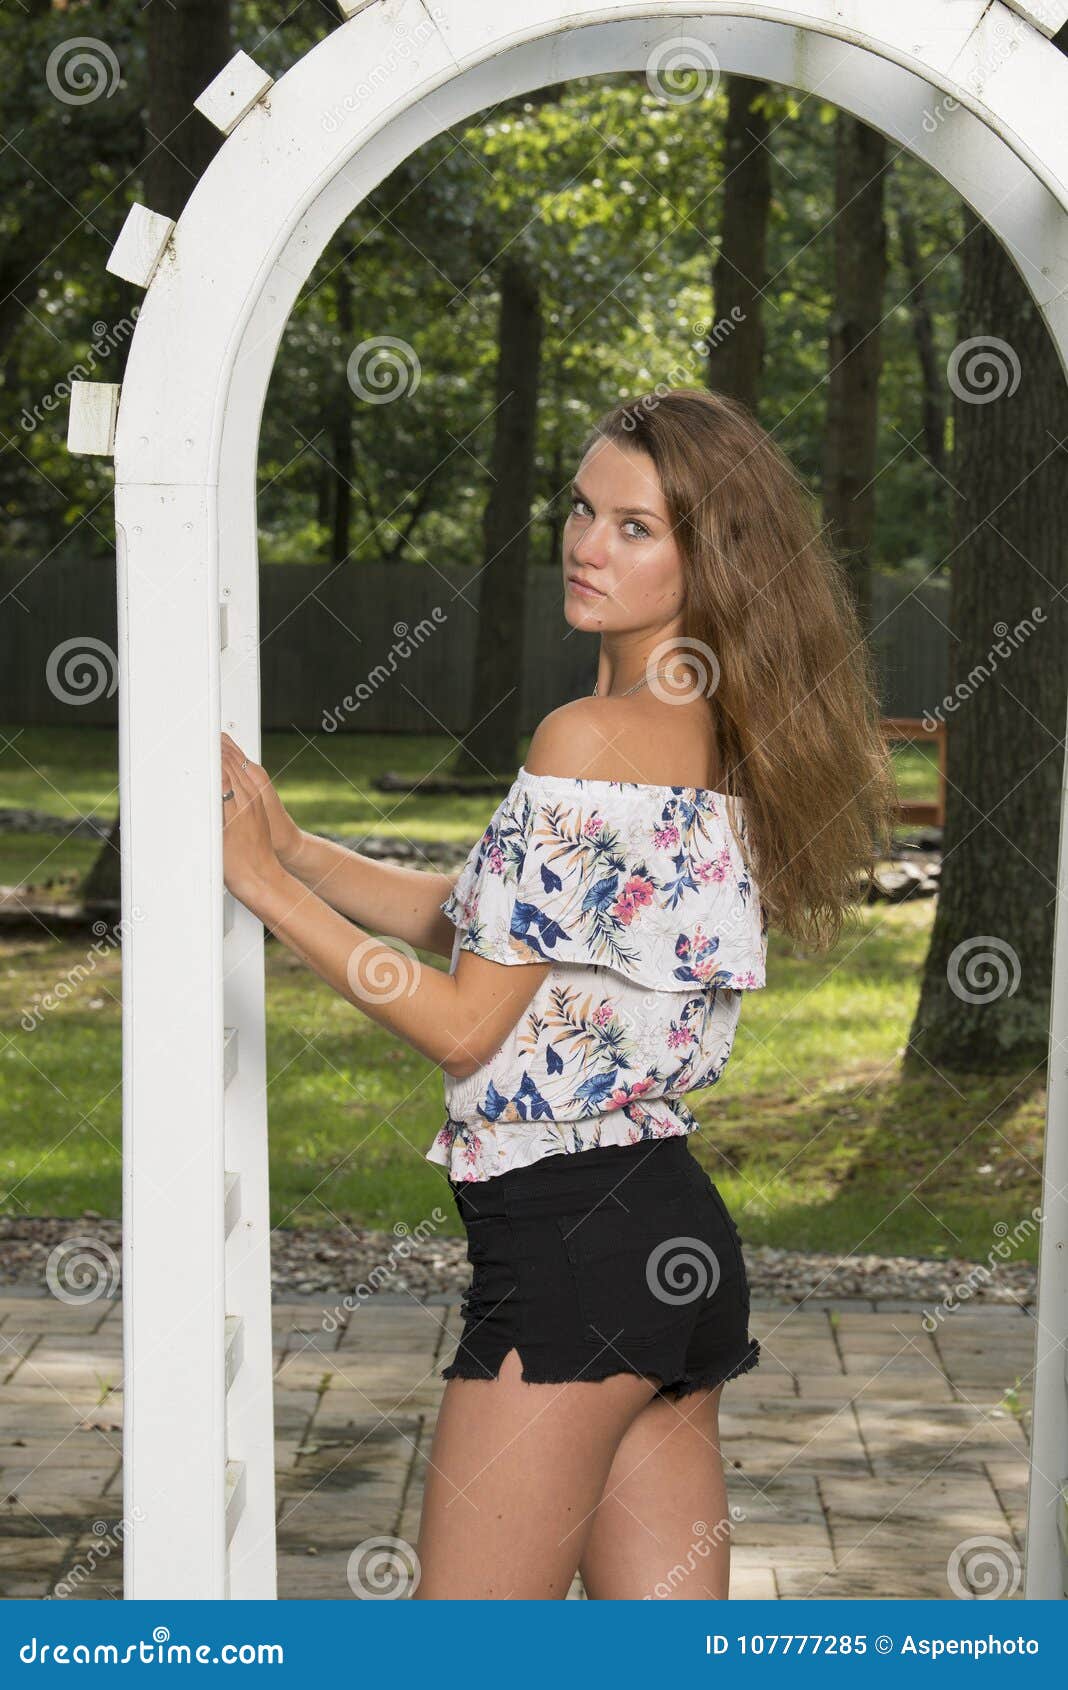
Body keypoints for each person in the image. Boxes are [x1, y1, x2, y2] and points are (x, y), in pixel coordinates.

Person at [220, 386, 898, 1600]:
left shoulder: (586, 737)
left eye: (638, 526)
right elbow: (493, 918)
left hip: (572, 1256)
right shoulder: (730, 737)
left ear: (713, 556)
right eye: (583, 509)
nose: (590, 543)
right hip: (673, 1241)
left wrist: (265, 894)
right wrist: (304, 850)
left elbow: (470, 1020)